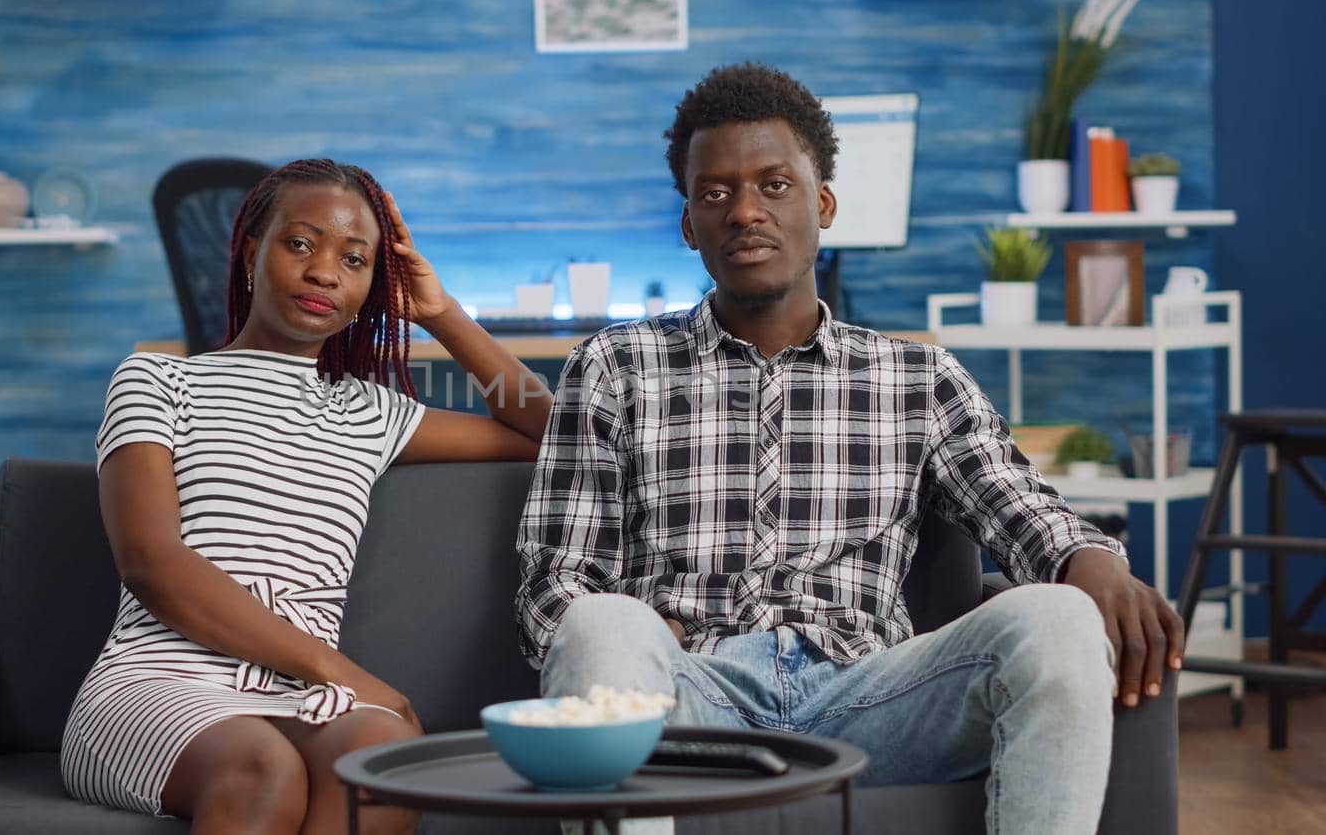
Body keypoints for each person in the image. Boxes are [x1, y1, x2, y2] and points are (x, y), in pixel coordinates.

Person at [516, 63, 1183, 834]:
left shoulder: (919, 376)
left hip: (873, 698)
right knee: (600, 625)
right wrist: (639, 635)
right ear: (688, 225)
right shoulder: (613, 366)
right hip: (688, 696)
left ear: (822, 203)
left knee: (1059, 616)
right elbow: (553, 587)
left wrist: (1091, 563)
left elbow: (1022, 508)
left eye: (773, 185)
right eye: (714, 194)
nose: (743, 212)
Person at [62, 158, 552, 835]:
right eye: (301, 244)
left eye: (354, 260)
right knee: (264, 770)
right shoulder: (155, 380)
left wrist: (441, 315)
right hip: (156, 683)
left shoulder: (371, 413)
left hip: (304, 698)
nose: (325, 272)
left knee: (384, 765)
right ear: (250, 252)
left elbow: (555, 432)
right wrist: (343, 672)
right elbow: (151, 562)